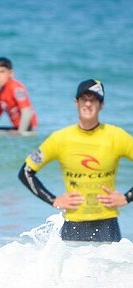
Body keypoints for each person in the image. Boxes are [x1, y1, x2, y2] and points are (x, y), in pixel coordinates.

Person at [18, 79, 133, 242]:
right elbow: (25, 172)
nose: (88, 104)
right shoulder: (60, 139)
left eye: (93, 99)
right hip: (73, 226)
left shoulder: (117, 137)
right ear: (76, 103)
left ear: (101, 105)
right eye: (84, 99)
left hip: (108, 226)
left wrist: (126, 197)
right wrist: (54, 200)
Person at [0, 57, 38, 135]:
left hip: (28, 129)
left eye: (2, 72)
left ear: (11, 74)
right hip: (17, 128)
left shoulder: (16, 88)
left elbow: (27, 112)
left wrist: (20, 133)